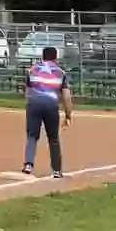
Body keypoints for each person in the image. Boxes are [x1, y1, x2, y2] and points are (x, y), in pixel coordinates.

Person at [22, 46, 71, 179]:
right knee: (53, 138)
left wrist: (30, 104)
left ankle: (28, 164)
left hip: (34, 103)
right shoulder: (61, 73)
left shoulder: (31, 70)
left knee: (32, 135)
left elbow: (27, 90)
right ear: (55, 57)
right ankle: (56, 170)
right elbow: (66, 96)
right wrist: (68, 115)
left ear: (42, 56)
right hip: (51, 105)